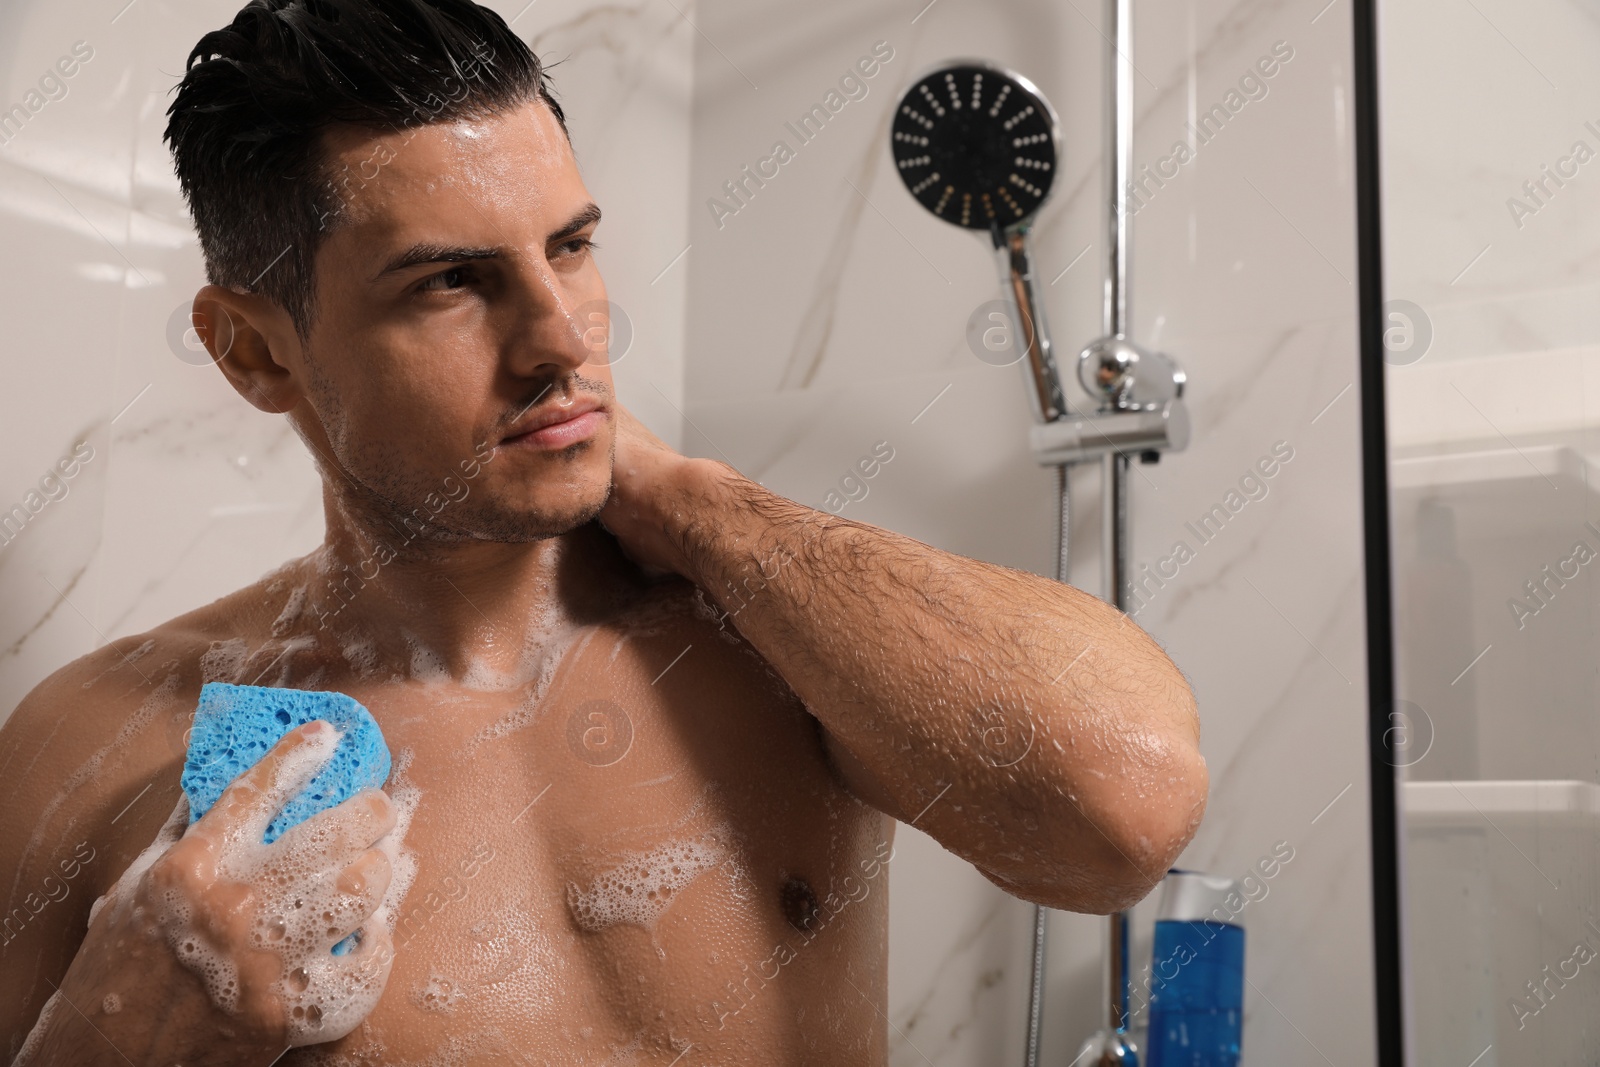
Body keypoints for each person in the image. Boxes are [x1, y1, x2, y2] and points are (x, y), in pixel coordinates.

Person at [0, 1, 1207, 1062]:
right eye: (451, 282)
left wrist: (684, 495)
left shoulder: (775, 642)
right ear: (255, 350)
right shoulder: (93, 743)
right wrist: (115, 1033)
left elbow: (1123, 820)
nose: (566, 339)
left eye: (570, 246)